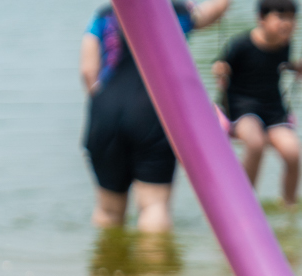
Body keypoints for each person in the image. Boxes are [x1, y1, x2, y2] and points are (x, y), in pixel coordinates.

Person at [81, 0, 231, 232]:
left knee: (107, 210)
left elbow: (88, 71)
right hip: (153, 111)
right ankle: (153, 268)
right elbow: (216, 10)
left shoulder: (103, 16)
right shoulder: (175, 14)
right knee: (154, 206)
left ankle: (109, 267)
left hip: (105, 109)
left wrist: (105, 104)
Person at [213, 0, 302, 207]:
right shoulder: (241, 44)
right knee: (255, 143)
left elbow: (280, 65)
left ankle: (289, 205)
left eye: (292, 18)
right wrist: (220, 69)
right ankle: (244, 202)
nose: (288, 24)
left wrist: (297, 68)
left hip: (273, 110)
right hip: (242, 108)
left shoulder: (285, 44)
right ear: (261, 19)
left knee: (293, 152)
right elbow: (221, 64)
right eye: (281, 17)